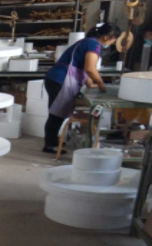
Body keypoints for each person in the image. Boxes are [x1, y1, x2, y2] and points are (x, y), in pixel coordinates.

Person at [42, 23, 121, 154]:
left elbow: (84, 67)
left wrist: (90, 84)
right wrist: (101, 84)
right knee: (56, 114)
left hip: (56, 78)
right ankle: (50, 145)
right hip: (60, 79)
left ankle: (52, 141)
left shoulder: (88, 41)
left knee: (57, 113)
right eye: (114, 39)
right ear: (107, 37)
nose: (113, 43)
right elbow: (90, 68)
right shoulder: (94, 44)